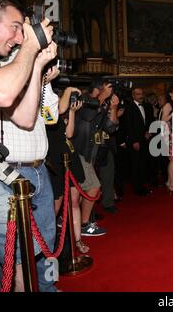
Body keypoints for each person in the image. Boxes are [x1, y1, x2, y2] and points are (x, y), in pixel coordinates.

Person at [0, 0, 55, 292]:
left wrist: (36, 65)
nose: (19, 36)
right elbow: (3, 94)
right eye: (14, 26)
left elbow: (24, 117)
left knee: (25, 249)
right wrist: (32, 45)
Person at [72, 79, 119, 234]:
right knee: (93, 186)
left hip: (90, 154)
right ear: (99, 89)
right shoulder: (83, 100)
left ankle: (75, 224)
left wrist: (113, 107)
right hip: (78, 151)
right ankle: (84, 224)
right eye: (107, 89)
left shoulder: (101, 105)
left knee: (79, 192)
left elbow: (111, 128)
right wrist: (102, 97)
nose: (110, 92)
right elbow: (86, 116)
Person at [46, 86, 89, 254]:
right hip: (55, 163)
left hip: (70, 160)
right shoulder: (47, 113)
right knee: (54, 208)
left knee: (74, 202)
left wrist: (72, 113)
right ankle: (49, 246)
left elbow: (70, 134)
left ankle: (77, 240)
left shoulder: (63, 114)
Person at [125, 87, 153, 196]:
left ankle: (142, 186)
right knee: (136, 165)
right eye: (138, 94)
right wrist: (134, 141)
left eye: (142, 93)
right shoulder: (129, 108)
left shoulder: (146, 106)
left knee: (143, 164)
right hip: (136, 141)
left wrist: (148, 132)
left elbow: (146, 122)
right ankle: (138, 189)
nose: (141, 96)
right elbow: (129, 126)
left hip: (144, 140)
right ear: (133, 96)